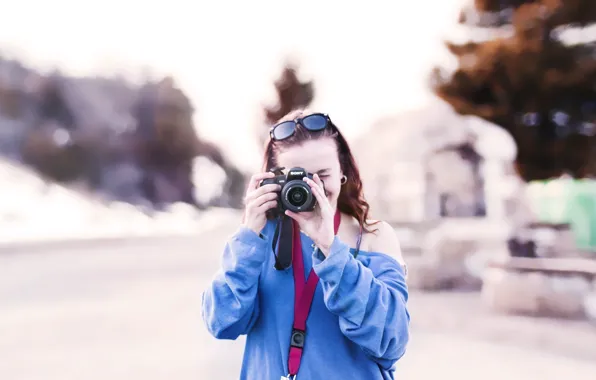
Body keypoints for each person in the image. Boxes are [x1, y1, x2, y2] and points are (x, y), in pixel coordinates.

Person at [201, 110, 410, 379]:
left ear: (342, 171)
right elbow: (221, 323)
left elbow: (392, 341)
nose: (313, 188)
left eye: (322, 175)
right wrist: (248, 239)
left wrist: (331, 250)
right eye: (298, 177)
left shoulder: (372, 236)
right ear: (274, 180)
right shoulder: (260, 238)